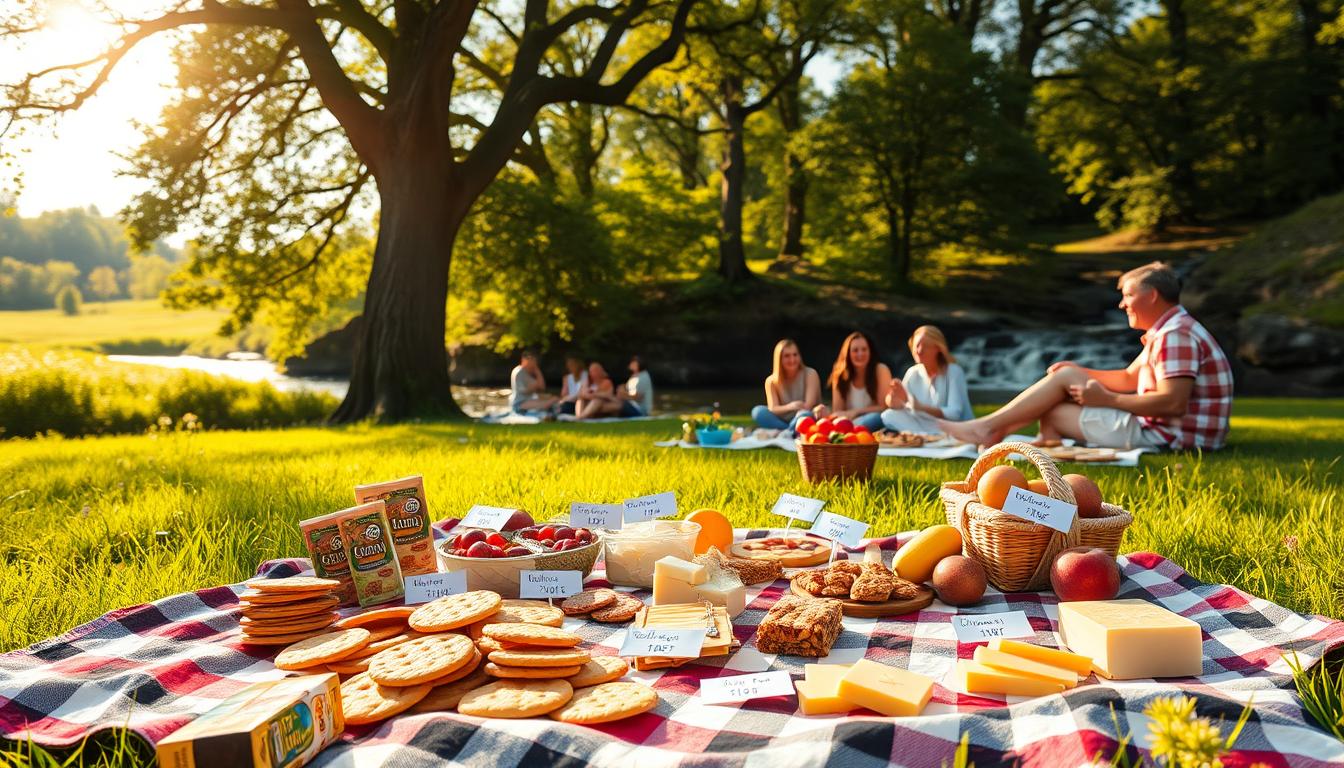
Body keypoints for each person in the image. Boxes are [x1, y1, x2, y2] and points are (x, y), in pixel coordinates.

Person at [939, 262, 1232, 451]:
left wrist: (1108, 401)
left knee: (1054, 409)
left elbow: (1173, 403)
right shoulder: (1171, 330)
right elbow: (1129, 378)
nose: (1122, 304)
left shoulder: (1175, 335)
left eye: (1128, 295)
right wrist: (1077, 371)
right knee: (1063, 378)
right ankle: (999, 430)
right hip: (1169, 432)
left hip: (1175, 439)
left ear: (1153, 295)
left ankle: (990, 428)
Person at [880, 325, 973, 434]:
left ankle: (925, 436)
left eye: (924, 346)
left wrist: (921, 407)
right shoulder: (912, 373)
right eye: (916, 345)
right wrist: (894, 401)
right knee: (888, 415)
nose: (918, 351)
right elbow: (907, 407)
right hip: (928, 425)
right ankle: (926, 436)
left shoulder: (954, 371)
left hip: (955, 427)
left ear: (938, 348)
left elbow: (955, 414)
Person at [816, 331, 891, 433]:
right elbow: (838, 411)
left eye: (864, 349)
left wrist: (855, 412)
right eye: (855, 350)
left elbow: (883, 408)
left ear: (870, 352)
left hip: (872, 422)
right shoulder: (839, 374)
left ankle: (846, 433)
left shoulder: (881, 370)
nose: (860, 354)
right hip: (848, 422)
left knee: (876, 417)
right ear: (848, 353)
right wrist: (825, 412)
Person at [752, 339, 822, 430]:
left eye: (795, 355)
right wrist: (790, 406)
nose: (792, 359)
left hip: (803, 416)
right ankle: (790, 431)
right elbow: (773, 408)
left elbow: (808, 406)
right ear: (779, 359)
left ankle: (786, 432)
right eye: (787, 356)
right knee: (758, 411)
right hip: (782, 420)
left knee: (805, 415)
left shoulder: (810, 374)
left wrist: (797, 411)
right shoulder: (771, 381)